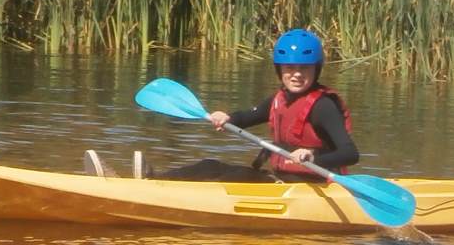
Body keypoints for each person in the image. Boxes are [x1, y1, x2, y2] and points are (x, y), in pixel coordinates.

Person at [146, 29, 360, 183]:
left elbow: (350, 153)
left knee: (235, 177)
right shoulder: (279, 99)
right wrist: (227, 118)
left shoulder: (323, 106)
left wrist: (313, 157)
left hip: (313, 186)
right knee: (209, 166)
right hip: (284, 179)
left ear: (316, 69)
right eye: (289, 67)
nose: (296, 74)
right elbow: (248, 117)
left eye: (304, 68)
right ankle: (154, 181)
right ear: (279, 70)